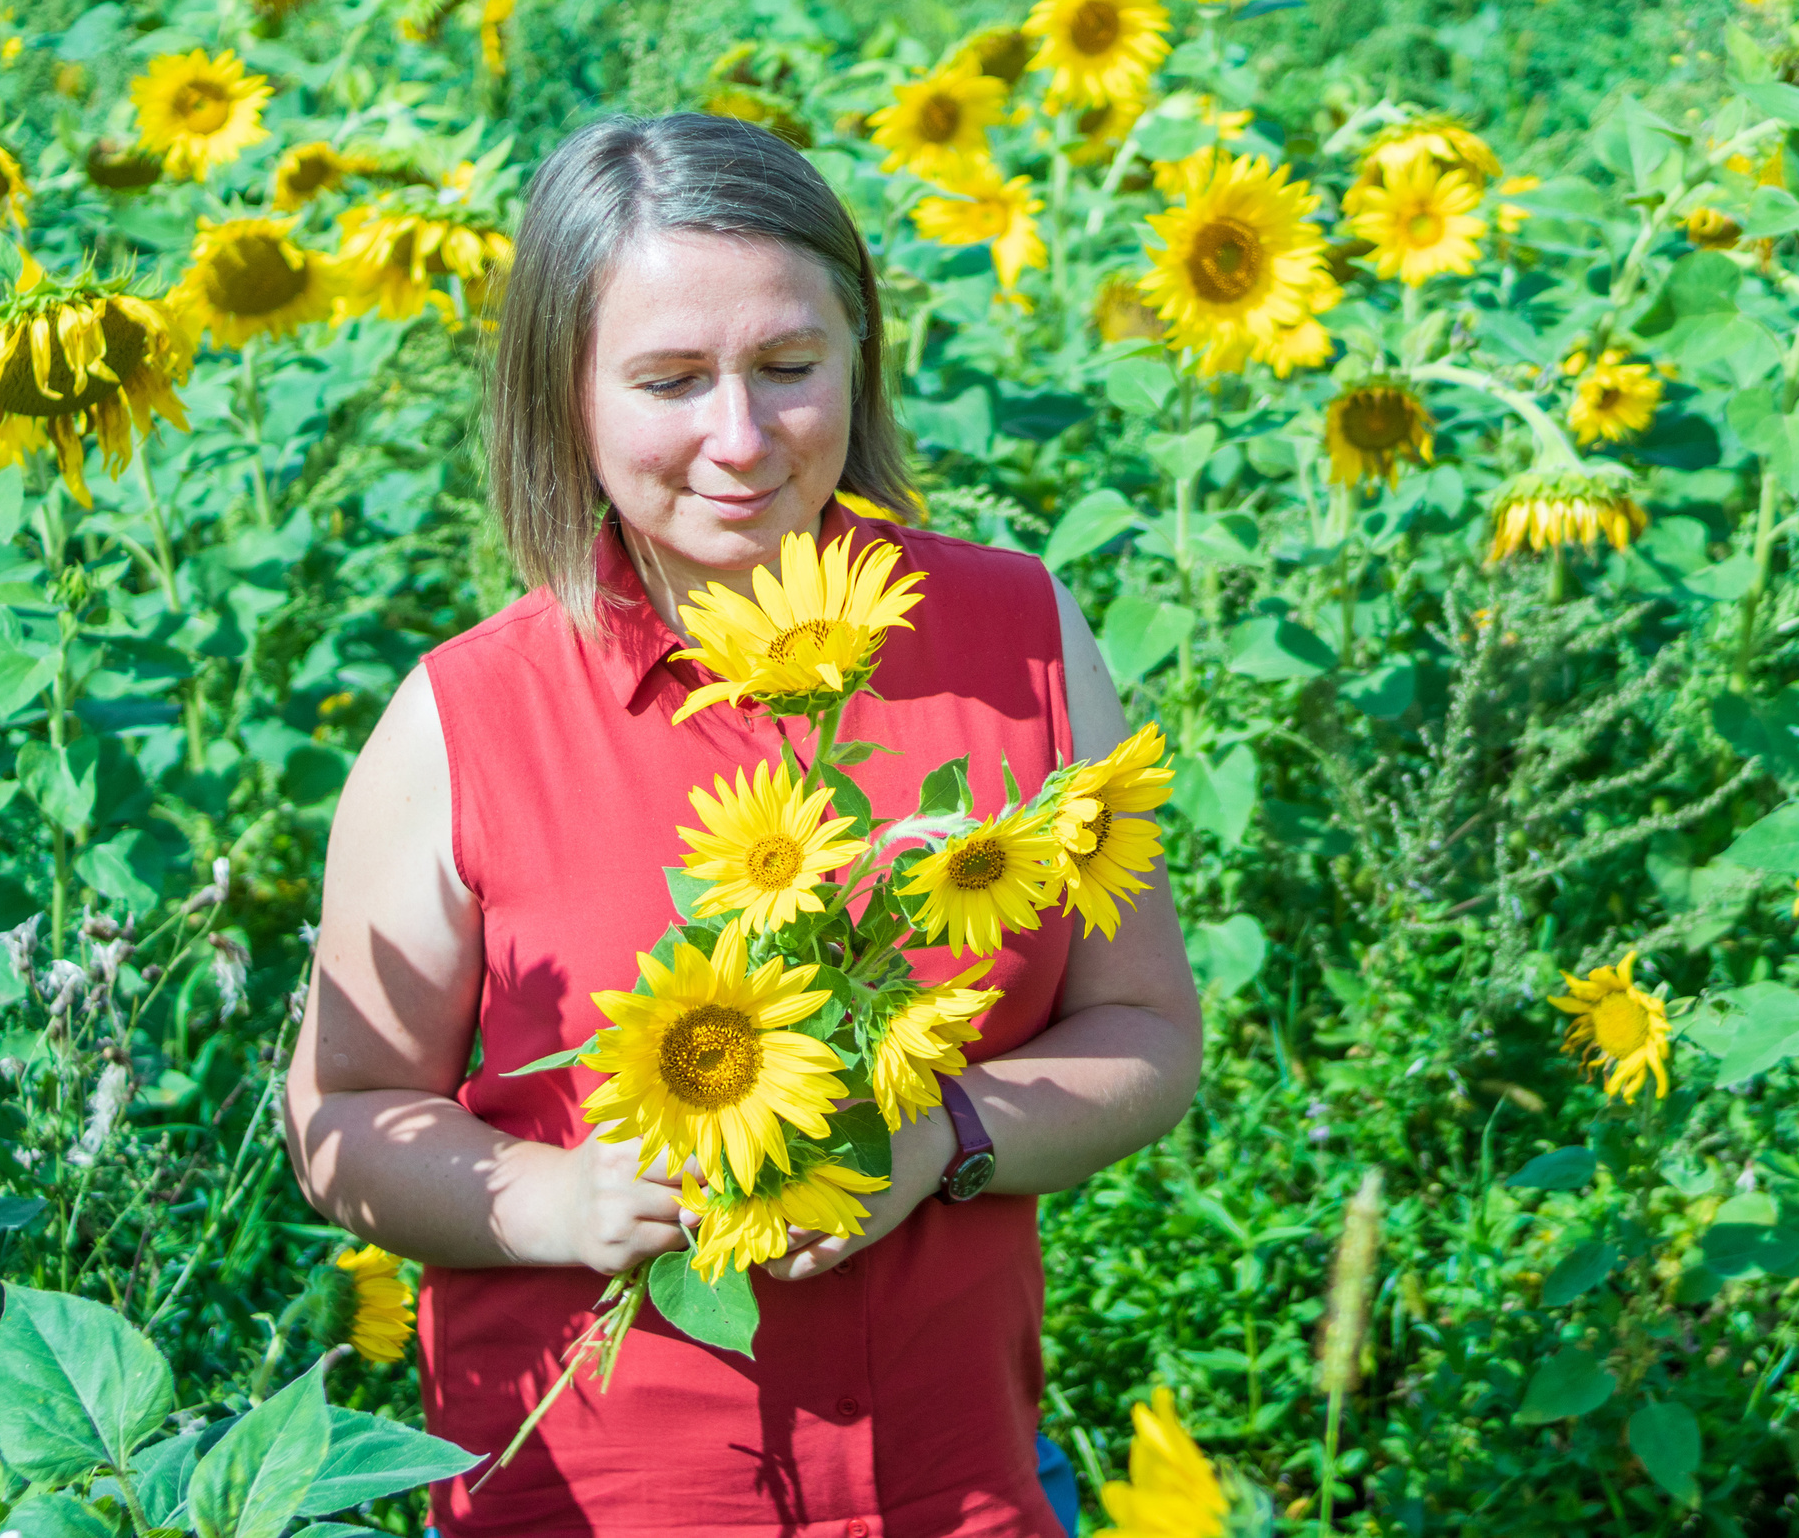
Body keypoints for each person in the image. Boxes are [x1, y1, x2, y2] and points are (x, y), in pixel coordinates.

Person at [284, 112, 1202, 1538]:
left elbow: (1145, 1030)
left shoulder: (1014, 635)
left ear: (860, 359)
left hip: (954, 1482)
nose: (741, 437)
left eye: (790, 367)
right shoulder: (468, 717)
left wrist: (944, 1134)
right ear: (564, 395)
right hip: (600, 1493)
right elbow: (339, 1113)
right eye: (667, 380)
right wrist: (548, 1200)